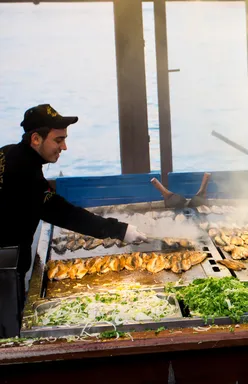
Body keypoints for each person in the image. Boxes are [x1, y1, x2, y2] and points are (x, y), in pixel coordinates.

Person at [0, 104, 147, 311]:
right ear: (36, 139)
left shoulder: (10, 153)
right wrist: (119, 230)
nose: (64, 147)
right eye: (58, 140)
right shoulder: (22, 172)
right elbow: (62, 213)